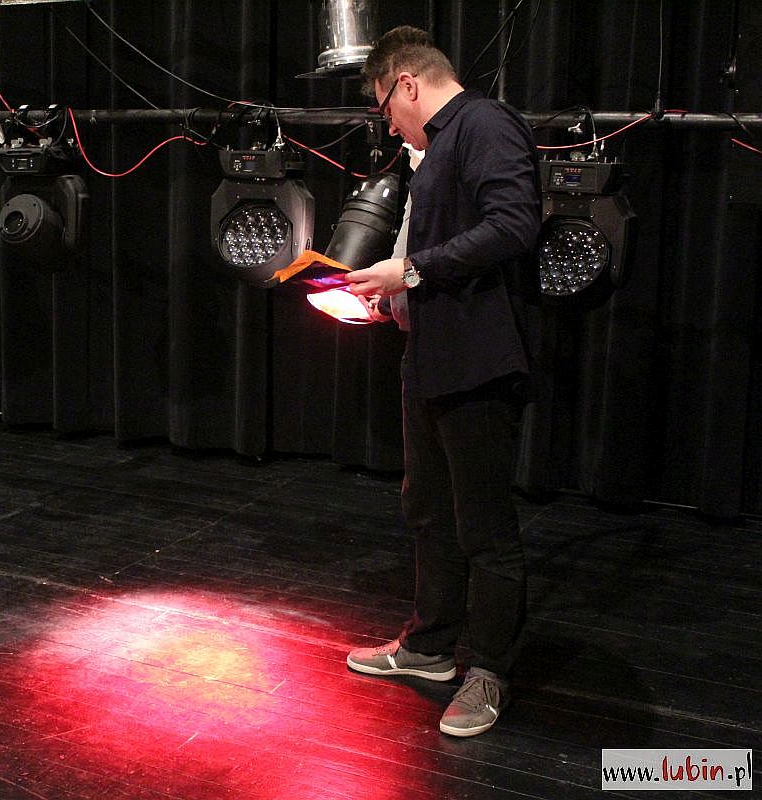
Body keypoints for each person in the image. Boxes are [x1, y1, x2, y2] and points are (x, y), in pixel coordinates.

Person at [343, 25, 541, 737]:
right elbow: (431, 256)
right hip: (430, 358)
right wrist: (392, 292)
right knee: (427, 509)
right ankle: (430, 647)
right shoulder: (438, 147)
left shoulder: (484, 124)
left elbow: (514, 226)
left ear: (406, 83)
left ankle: (488, 671)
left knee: (485, 527)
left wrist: (412, 271)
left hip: (479, 362)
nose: (389, 124)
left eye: (385, 108)